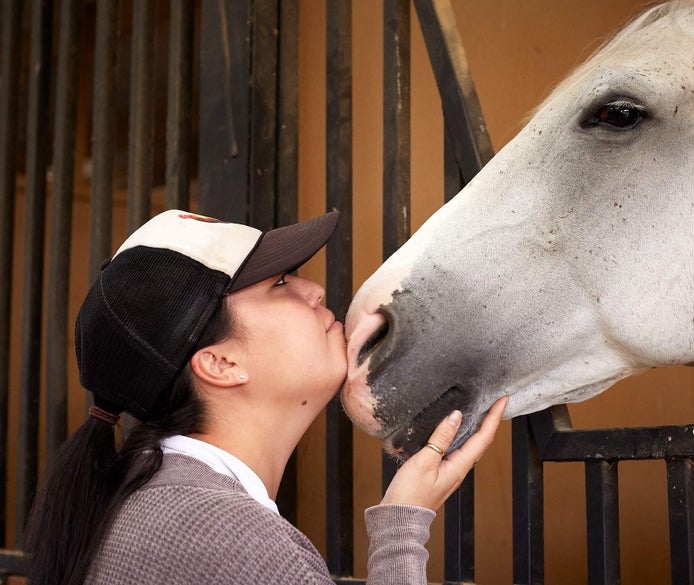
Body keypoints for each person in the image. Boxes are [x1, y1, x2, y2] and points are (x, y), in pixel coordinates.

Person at [23, 209, 507, 585]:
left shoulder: (154, 499)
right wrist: (402, 529)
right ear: (221, 364)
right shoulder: (230, 538)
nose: (314, 289)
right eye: (278, 284)